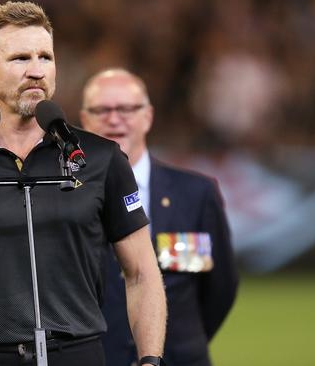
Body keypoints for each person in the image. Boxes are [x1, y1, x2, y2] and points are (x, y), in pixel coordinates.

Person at [0, 3, 167, 366]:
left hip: (77, 355)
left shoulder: (101, 159)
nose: (36, 70)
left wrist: (150, 360)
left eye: (45, 57)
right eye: (20, 58)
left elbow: (142, 273)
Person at [79, 68, 239, 366]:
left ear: (148, 117)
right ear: (85, 120)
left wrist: (182, 341)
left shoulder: (196, 194)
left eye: (126, 108)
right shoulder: (67, 199)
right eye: (102, 110)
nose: (114, 119)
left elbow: (221, 288)